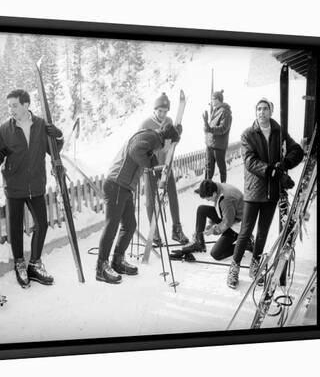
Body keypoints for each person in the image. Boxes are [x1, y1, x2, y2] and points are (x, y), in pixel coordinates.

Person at [0, 89, 64, 289]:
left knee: (42, 224)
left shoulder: (42, 126)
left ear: (26, 105)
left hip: (36, 185)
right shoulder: (3, 130)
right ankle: (19, 264)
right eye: (9, 106)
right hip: (14, 186)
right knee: (15, 228)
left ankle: (34, 264)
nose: (11, 110)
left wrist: (58, 137)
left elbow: (53, 151)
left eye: (14, 105)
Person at [226, 98, 304, 289]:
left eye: (265, 109)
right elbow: (250, 161)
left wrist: (285, 164)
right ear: (256, 112)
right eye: (258, 109)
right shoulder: (248, 134)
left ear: (271, 111)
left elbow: (297, 150)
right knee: (245, 232)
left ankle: (254, 267)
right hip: (254, 191)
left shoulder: (279, 132)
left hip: (272, 192)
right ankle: (234, 269)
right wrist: (274, 172)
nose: (261, 112)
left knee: (262, 233)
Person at [96, 123, 181, 284]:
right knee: (111, 225)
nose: (170, 148)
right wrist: (150, 163)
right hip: (117, 184)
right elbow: (135, 150)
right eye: (173, 144)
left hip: (124, 187)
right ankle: (101, 267)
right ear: (168, 140)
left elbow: (144, 155)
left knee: (129, 225)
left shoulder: (152, 138)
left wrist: (154, 166)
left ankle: (117, 260)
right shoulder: (153, 138)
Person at [140, 93, 189, 246]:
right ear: (155, 110)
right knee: (150, 201)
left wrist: (177, 136)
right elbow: (140, 146)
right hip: (151, 166)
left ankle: (177, 229)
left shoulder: (168, 121)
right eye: (159, 111)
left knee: (173, 195)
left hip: (166, 165)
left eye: (165, 111)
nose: (162, 114)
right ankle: (154, 233)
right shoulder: (146, 124)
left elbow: (171, 143)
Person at [178, 179, 253, 260]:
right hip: (231, 215)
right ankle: (199, 243)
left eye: (208, 198)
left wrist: (213, 230)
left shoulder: (225, 200)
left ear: (213, 194)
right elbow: (220, 209)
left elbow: (227, 222)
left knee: (216, 254)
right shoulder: (216, 187)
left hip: (237, 225)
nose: (207, 200)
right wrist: (212, 223)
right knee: (202, 210)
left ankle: (246, 244)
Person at [203, 90, 232, 183]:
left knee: (221, 168)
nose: (211, 102)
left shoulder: (225, 112)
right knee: (208, 167)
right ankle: (206, 187)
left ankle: (224, 187)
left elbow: (223, 128)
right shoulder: (215, 110)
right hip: (210, 144)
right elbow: (210, 127)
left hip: (219, 146)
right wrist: (206, 124)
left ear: (218, 100)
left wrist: (209, 128)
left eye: (213, 99)